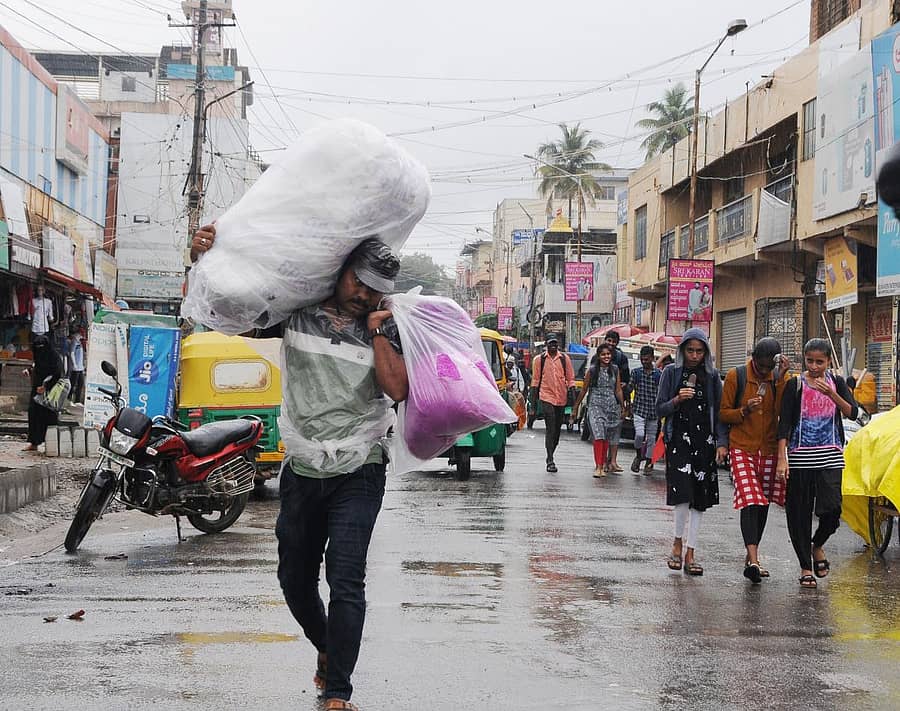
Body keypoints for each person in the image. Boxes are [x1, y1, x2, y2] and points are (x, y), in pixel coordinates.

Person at [192, 225, 408, 711]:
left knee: (347, 577)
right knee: (294, 578)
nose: (365, 293)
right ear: (342, 272)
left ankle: (338, 693)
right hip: (305, 467)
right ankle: (329, 649)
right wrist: (205, 259)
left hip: (360, 466)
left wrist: (377, 330)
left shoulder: (388, 328)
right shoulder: (296, 315)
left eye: (376, 288)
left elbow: (398, 390)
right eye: (359, 281)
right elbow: (230, 317)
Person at [776, 338, 857, 590]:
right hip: (800, 457)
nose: (814, 366)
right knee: (799, 513)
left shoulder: (837, 383)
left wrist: (831, 393)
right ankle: (805, 567)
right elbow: (785, 424)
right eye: (809, 361)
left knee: (832, 510)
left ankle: (817, 544)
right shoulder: (795, 385)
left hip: (830, 455)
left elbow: (852, 412)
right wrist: (782, 458)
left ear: (828, 362)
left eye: (819, 362)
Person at [656, 327, 727, 576]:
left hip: (704, 442)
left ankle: (691, 550)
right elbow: (660, 409)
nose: (694, 356)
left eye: (699, 351)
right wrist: (677, 399)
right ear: (682, 350)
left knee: (700, 498)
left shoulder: (712, 377)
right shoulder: (671, 373)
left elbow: (718, 413)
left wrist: (721, 442)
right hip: (678, 440)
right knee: (682, 494)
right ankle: (676, 542)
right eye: (690, 350)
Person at [718, 337, 790, 584]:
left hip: (768, 449)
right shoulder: (735, 376)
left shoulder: (779, 379)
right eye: (760, 367)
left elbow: (783, 412)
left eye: (769, 368)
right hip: (742, 447)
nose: (764, 372)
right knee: (750, 500)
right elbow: (723, 413)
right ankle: (755, 559)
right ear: (753, 360)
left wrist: (781, 380)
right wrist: (744, 410)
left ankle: (752, 557)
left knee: (762, 503)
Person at [573, 344, 624, 477]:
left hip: (611, 406)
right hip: (596, 405)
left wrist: (623, 407)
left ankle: (604, 465)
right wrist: (576, 407)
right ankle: (598, 466)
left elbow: (618, 389)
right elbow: (584, 389)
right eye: (603, 354)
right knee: (598, 434)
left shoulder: (615, 369)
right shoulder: (592, 370)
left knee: (606, 435)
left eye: (608, 354)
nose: (606, 356)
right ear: (599, 356)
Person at [531, 334, 575, 473]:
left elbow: (571, 379)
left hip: (561, 398)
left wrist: (573, 402)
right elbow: (535, 381)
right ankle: (550, 459)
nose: (553, 346)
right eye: (551, 343)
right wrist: (532, 405)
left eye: (555, 344)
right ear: (546, 345)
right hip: (546, 396)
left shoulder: (564, 359)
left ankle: (551, 452)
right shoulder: (539, 360)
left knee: (556, 430)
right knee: (550, 427)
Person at [24, 335, 62, 452]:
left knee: (49, 416)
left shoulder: (54, 356)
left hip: (51, 390)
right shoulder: (38, 355)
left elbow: (57, 373)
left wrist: (46, 386)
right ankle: (34, 442)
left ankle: (51, 444)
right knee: (33, 414)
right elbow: (36, 366)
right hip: (37, 389)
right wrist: (29, 370)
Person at [627, 345, 661, 474]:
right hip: (639, 409)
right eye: (642, 359)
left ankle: (648, 462)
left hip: (653, 411)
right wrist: (626, 388)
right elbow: (630, 387)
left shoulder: (658, 375)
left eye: (647, 359)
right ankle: (638, 455)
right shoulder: (636, 373)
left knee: (652, 439)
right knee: (640, 434)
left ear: (652, 358)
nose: (644, 362)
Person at [603, 330, 630, 471]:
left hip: (616, 399)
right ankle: (603, 461)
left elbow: (627, 379)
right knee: (603, 431)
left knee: (615, 430)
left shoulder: (621, 358)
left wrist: (623, 385)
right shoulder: (598, 356)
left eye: (614, 341)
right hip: (601, 400)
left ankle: (612, 461)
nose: (611, 344)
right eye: (609, 341)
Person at [68, 332, 86, 404]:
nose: (81, 336)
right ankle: (69, 398)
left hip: (80, 367)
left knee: (81, 383)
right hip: (75, 367)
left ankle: (77, 400)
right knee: (73, 383)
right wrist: (74, 364)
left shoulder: (81, 343)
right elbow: (71, 353)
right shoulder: (74, 342)